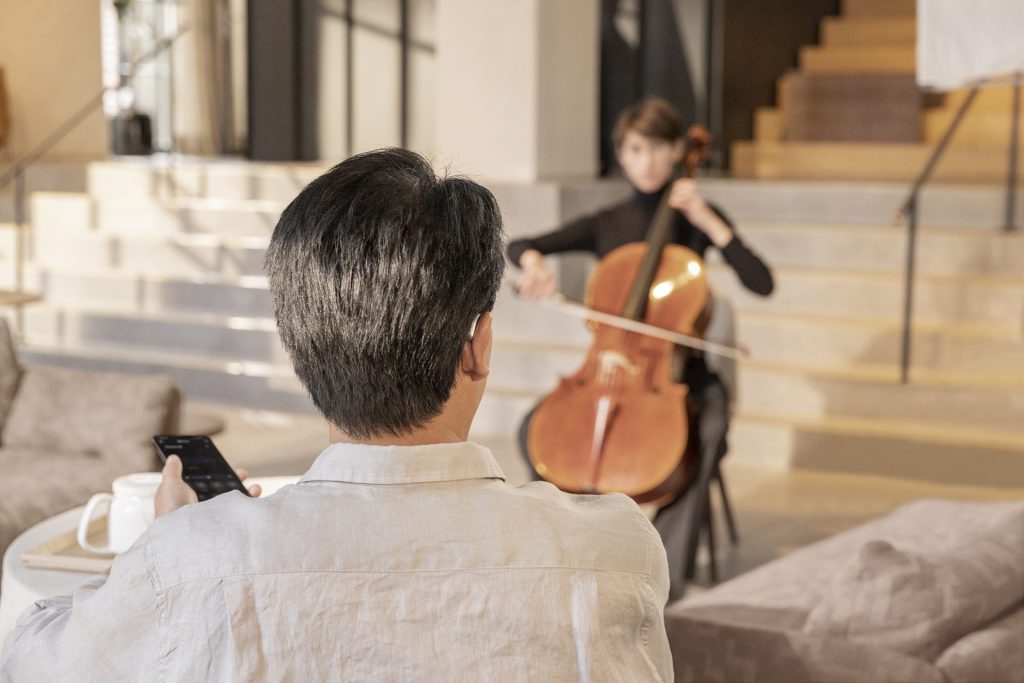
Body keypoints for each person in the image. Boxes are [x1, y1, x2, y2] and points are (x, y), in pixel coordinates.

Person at [1, 149, 673, 681]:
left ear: (298, 347)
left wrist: (165, 547)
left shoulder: (191, 561)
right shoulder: (614, 553)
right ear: (479, 346)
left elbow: (28, 659)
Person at [508, 98, 774, 599]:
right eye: (635, 149)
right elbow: (520, 243)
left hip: (679, 378)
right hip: (605, 370)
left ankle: (661, 581)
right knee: (532, 430)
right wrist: (534, 266)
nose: (647, 161)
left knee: (708, 434)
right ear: (622, 155)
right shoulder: (607, 223)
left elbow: (761, 282)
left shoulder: (696, 218)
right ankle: (565, 560)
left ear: (678, 151)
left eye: (657, 148)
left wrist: (711, 222)